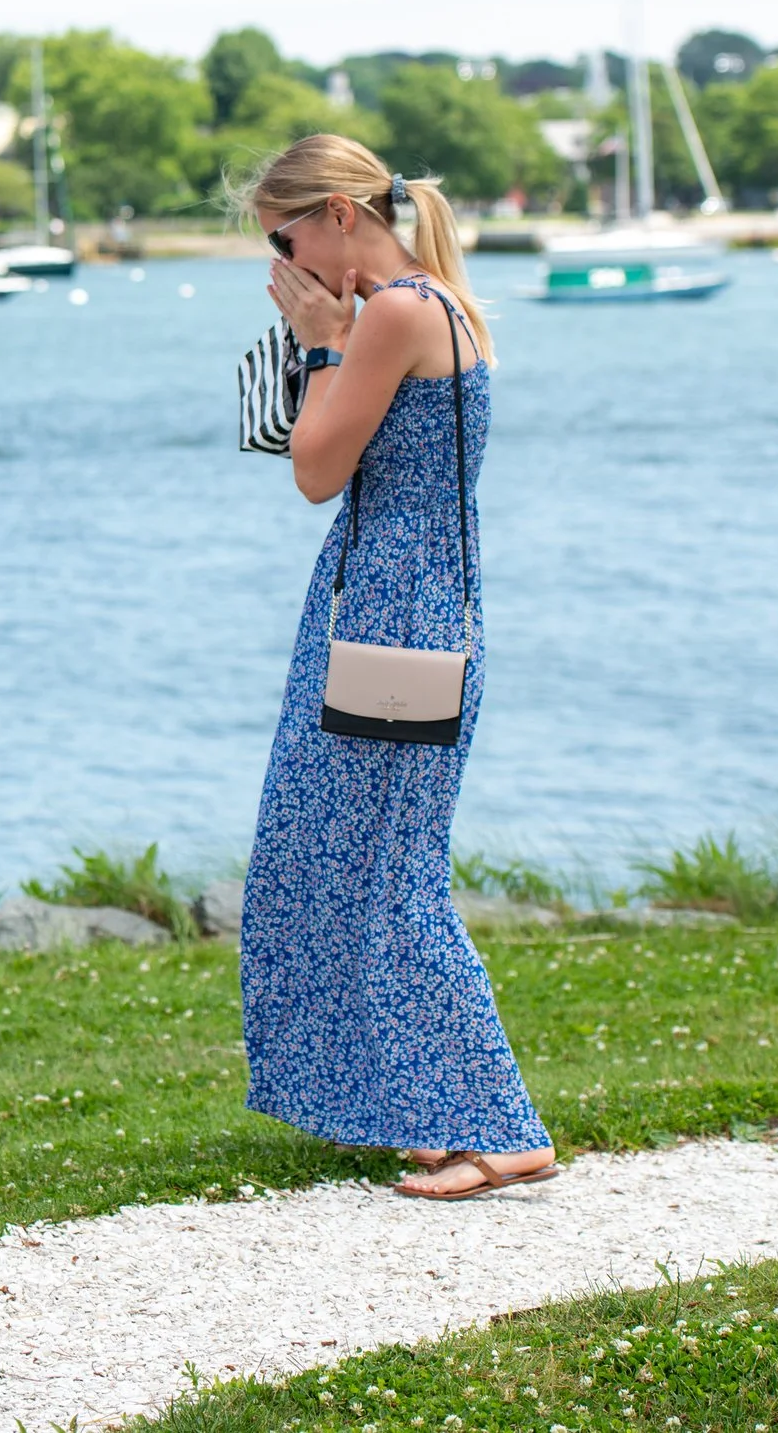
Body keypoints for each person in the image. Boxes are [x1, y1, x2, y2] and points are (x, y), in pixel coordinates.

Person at [236, 135, 558, 1201]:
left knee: (384, 872)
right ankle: (422, 1106)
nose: (280, 265)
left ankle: (497, 1125)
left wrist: (322, 344)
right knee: (340, 859)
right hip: (413, 605)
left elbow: (316, 471)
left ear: (337, 214)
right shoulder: (433, 303)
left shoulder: (393, 315)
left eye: (283, 240)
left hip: (389, 613)